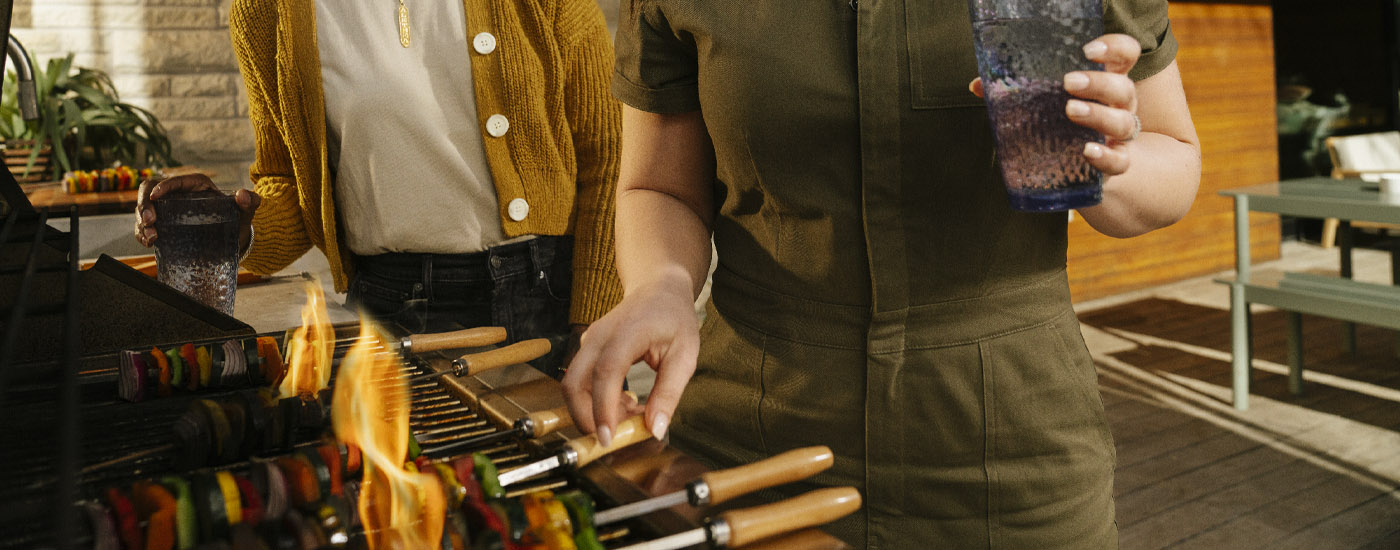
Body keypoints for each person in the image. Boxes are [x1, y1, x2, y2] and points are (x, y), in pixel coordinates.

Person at [562, 1, 1200, 548]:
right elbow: (659, 186)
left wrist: (1107, 158)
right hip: (750, 441)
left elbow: (1174, 160)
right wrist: (663, 284)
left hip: (1013, 452)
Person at [135, 0, 623, 376]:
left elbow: (610, 159)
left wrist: (597, 324)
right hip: (392, 306)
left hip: (546, 298)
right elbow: (288, 180)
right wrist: (233, 225)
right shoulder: (268, 11)